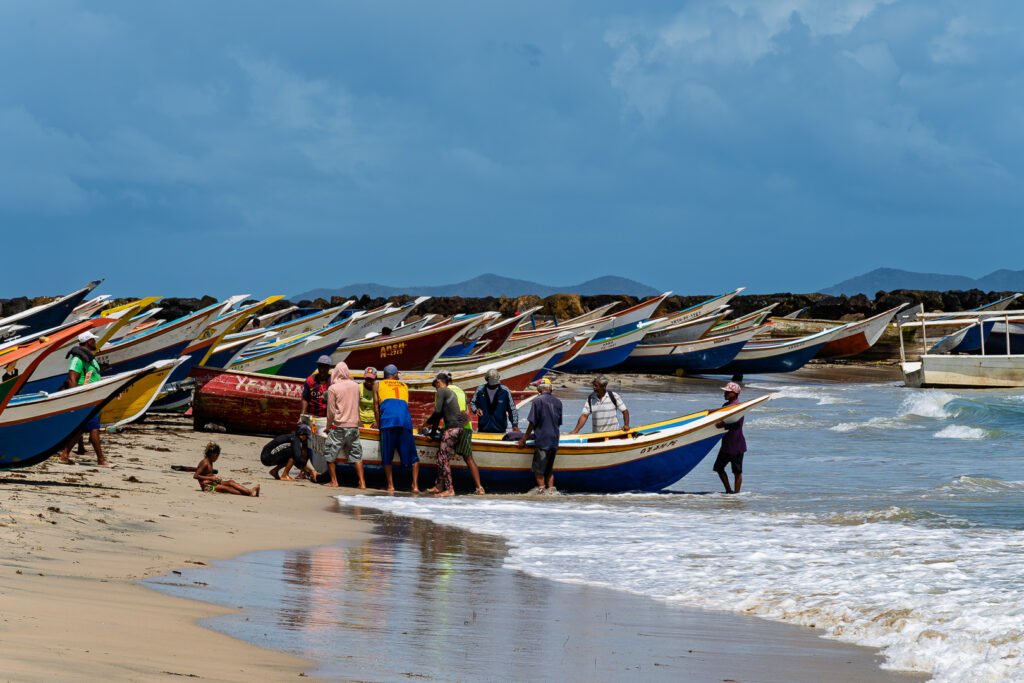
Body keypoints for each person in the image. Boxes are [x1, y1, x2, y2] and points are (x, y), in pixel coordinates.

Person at [58, 331, 108, 467]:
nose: (95, 342)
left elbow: (92, 376)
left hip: (93, 397)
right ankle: (101, 460)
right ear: (89, 342)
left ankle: (65, 455)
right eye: (94, 340)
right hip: (86, 398)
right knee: (94, 428)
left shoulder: (89, 358)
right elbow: (72, 379)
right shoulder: (77, 359)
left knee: (81, 428)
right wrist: (76, 399)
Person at [420, 372, 468, 497]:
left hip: (452, 429)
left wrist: (426, 423)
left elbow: (437, 412)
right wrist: (432, 433)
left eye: (435, 385)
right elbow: (440, 415)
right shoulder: (449, 392)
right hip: (457, 428)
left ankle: (450, 489)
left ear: (438, 382)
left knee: (443, 458)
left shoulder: (441, 391)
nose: (435, 388)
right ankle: (439, 486)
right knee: (441, 456)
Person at [374, 364, 419, 493]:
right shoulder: (404, 385)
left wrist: (379, 424)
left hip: (388, 421)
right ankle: (415, 486)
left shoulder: (377, 384)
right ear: (395, 375)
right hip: (405, 422)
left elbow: (376, 408)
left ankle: (390, 486)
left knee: (387, 456)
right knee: (413, 457)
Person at [324, 362, 366, 489]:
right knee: (357, 455)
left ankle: (334, 481)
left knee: (330, 454)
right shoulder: (356, 386)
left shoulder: (333, 388)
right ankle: (362, 482)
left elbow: (331, 411)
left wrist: (328, 426)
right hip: (353, 427)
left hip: (339, 426)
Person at [517, 378, 563, 494]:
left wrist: (524, 439)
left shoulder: (537, 401)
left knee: (539, 471)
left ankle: (541, 491)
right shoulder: (558, 402)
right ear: (550, 389)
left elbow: (532, 422)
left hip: (543, 439)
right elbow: (558, 423)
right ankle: (551, 492)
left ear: (539, 389)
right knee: (549, 470)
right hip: (554, 439)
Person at [448, 376, 485, 494]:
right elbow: (465, 411)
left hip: (454, 427)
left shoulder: (443, 391)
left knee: (443, 457)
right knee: (469, 458)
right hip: (466, 427)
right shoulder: (461, 391)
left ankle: (445, 487)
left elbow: (440, 412)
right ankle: (479, 488)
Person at [712, 382, 747, 494]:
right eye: (725, 391)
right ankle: (728, 491)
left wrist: (723, 425)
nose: (725, 393)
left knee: (737, 472)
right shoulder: (725, 406)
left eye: (727, 392)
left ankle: (736, 494)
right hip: (726, 444)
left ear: (734, 393)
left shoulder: (738, 407)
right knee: (718, 467)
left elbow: (736, 425)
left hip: (737, 444)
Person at [194, 442, 260, 496]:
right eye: (217, 456)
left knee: (231, 482)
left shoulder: (210, 461)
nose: (217, 458)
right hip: (207, 487)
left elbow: (207, 473)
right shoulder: (205, 463)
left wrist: (214, 478)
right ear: (213, 454)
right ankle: (249, 493)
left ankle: (249, 491)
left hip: (212, 483)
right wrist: (211, 478)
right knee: (227, 488)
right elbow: (196, 476)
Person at [471, 369, 519, 434]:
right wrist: (476, 410)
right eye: (492, 384)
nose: (494, 385)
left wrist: (515, 425)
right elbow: (473, 403)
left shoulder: (505, 391)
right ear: (486, 380)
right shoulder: (480, 390)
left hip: (500, 430)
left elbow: (512, 409)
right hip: (483, 430)